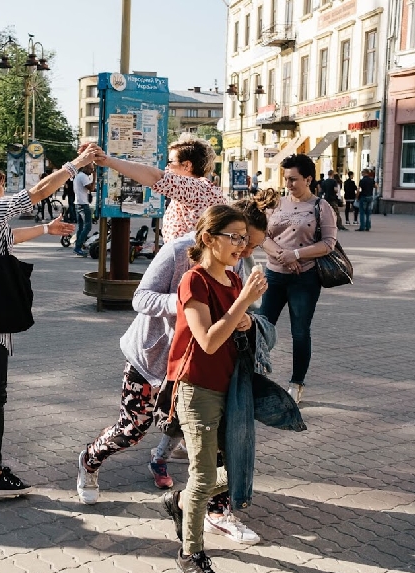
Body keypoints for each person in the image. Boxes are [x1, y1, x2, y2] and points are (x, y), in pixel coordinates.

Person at [0, 149, 94, 496]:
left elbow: (8, 238)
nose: (2, 188)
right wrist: (75, 165)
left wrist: (46, 229)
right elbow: (39, 192)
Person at [159, 204, 267, 573]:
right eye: (234, 237)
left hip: (231, 388)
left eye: (244, 238)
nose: (241, 245)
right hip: (197, 388)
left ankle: (182, 501)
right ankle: (191, 553)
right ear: (208, 238)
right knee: (204, 476)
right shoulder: (195, 280)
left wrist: (248, 320)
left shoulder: (234, 279)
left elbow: (234, 329)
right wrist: (243, 303)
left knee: (237, 471)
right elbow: (206, 341)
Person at [258, 154, 336, 404]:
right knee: (262, 328)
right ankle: (254, 376)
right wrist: (283, 256)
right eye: (286, 179)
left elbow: (328, 244)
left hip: (305, 279)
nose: (288, 184)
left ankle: (296, 383)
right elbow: (262, 237)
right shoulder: (277, 204)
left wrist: (297, 255)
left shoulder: (321, 207)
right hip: (274, 275)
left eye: (293, 179)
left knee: (300, 331)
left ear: (308, 179)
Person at [88, 133, 225, 243]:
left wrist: (108, 161)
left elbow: (156, 178)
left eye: (170, 162)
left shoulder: (195, 188)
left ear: (187, 166)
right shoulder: (199, 189)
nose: (166, 167)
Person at [72, 165, 95, 256]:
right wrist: (95, 176)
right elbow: (91, 188)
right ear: (86, 168)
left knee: (81, 227)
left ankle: (78, 247)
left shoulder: (78, 176)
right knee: (88, 226)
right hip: (83, 204)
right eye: (91, 169)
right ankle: (78, 247)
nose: (91, 171)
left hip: (78, 203)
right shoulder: (83, 176)